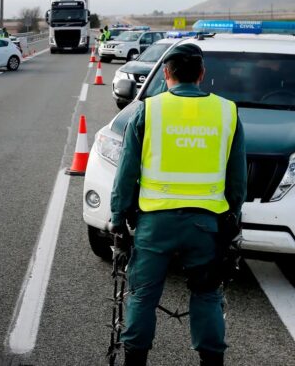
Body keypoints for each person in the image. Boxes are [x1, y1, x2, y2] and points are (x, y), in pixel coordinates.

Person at [109, 43, 247, 366]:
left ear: (166, 74)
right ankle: (211, 360)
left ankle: (135, 359)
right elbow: (238, 180)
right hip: (205, 225)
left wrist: (118, 216)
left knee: (142, 295)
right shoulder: (227, 112)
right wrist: (232, 217)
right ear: (202, 74)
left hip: (155, 224)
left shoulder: (148, 110)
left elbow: (126, 171)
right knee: (207, 294)